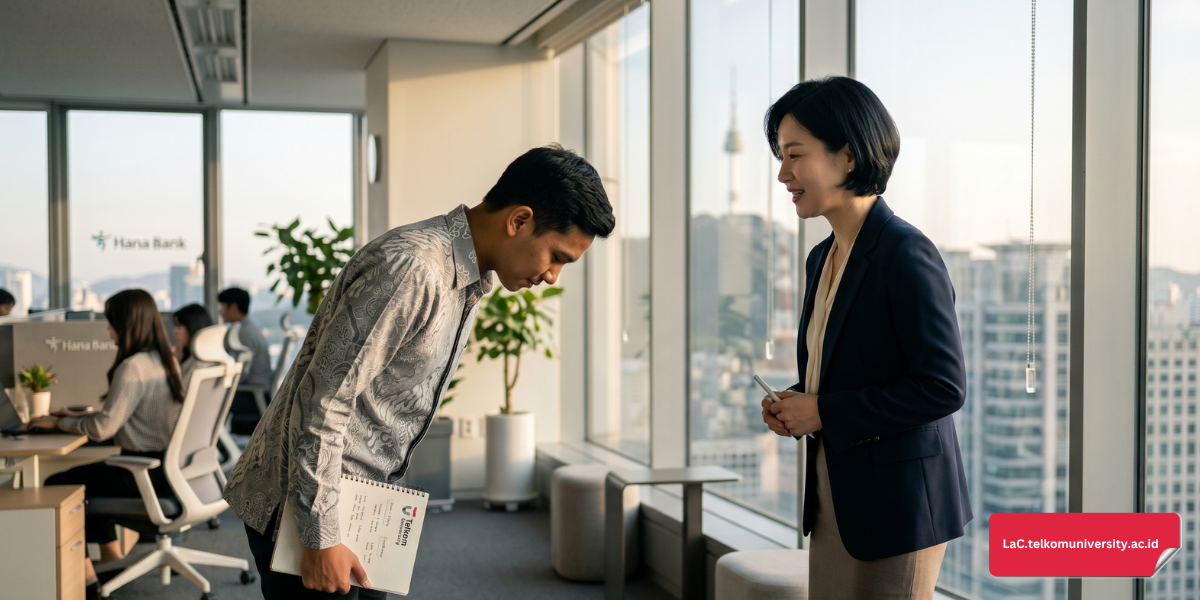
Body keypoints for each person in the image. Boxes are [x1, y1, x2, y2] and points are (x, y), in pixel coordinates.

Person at [224, 144, 614, 599]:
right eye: (558, 257)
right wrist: (320, 535)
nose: (552, 277)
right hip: (305, 508)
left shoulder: (468, 278)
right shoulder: (413, 269)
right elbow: (325, 401)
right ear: (520, 220)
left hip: (354, 502)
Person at [758, 77, 971, 598]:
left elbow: (943, 388)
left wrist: (824, 411)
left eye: (794, 156)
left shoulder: (906, 253)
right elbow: (844, 369)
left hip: (897, 508)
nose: (783, 174)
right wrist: (797, 402)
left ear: (848, 157)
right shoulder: (821, 257)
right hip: (836, 498)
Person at [31, 289, 185, 593]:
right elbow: (124, 415)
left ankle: (87, 581)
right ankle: (111, 558)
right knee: (89, 477)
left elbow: (103, 428)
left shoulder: (132, 367)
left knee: (62, 484)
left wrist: (57, 421)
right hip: (166, 470)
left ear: (126, 324)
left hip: (142, 473)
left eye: (110, 321)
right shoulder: (165, 361)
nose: (107, 328)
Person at [217, 287, 272, 433]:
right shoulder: (250, 328)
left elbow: (240, 375)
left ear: (233, 307)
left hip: (251, 396)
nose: (220, 311)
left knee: (209, 398)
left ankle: (218, 446)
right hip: (256, 393)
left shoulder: (244, 333)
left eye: (222, 306)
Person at [172, 303, 215, 383]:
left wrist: (174, 364)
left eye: (179, 326)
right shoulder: (211, 359)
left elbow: (179, 391)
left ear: (192, 327)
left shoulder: (197, 365)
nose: (175, 331)